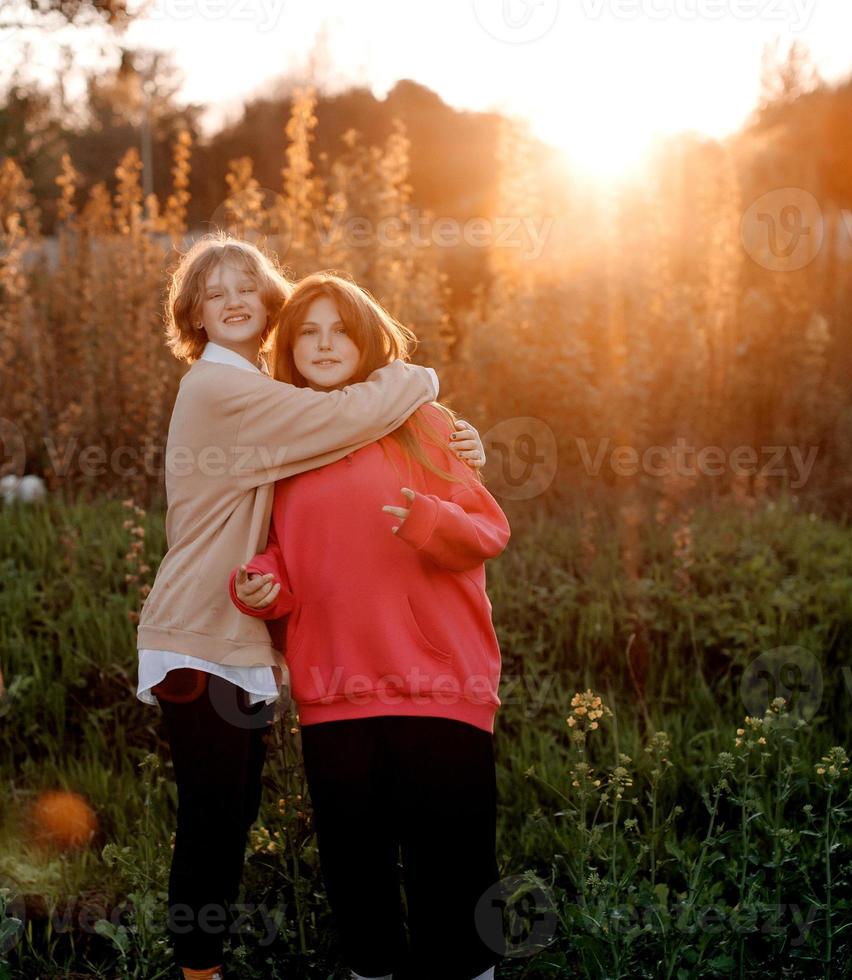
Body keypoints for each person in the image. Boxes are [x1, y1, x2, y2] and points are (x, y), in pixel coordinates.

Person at [136, 237, 486, 980]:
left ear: (267, 306)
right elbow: (341, 417)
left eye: (247, 289)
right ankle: (197, 972)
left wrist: (454, 444)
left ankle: (203, 965)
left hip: (234, 632)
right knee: (213, 816)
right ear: (193, 313)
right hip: (199, 629)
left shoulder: (257, 394)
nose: (232, 300)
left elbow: (328, 478)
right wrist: (417, 378)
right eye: (212, 291)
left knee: (232, 812)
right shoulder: (217, 387)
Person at [230, 271, 509, 980]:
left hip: (438, 682)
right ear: (288, 350)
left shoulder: (423, 423)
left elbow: (487, 530)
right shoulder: (289, 443)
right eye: (308, 333)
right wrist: (263, 585)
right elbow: (284, 555)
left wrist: (428, 519)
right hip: (335, 689)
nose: (324, 345)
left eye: (339, 330)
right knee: (358, 880)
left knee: (452, 871)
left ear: (366, 339)